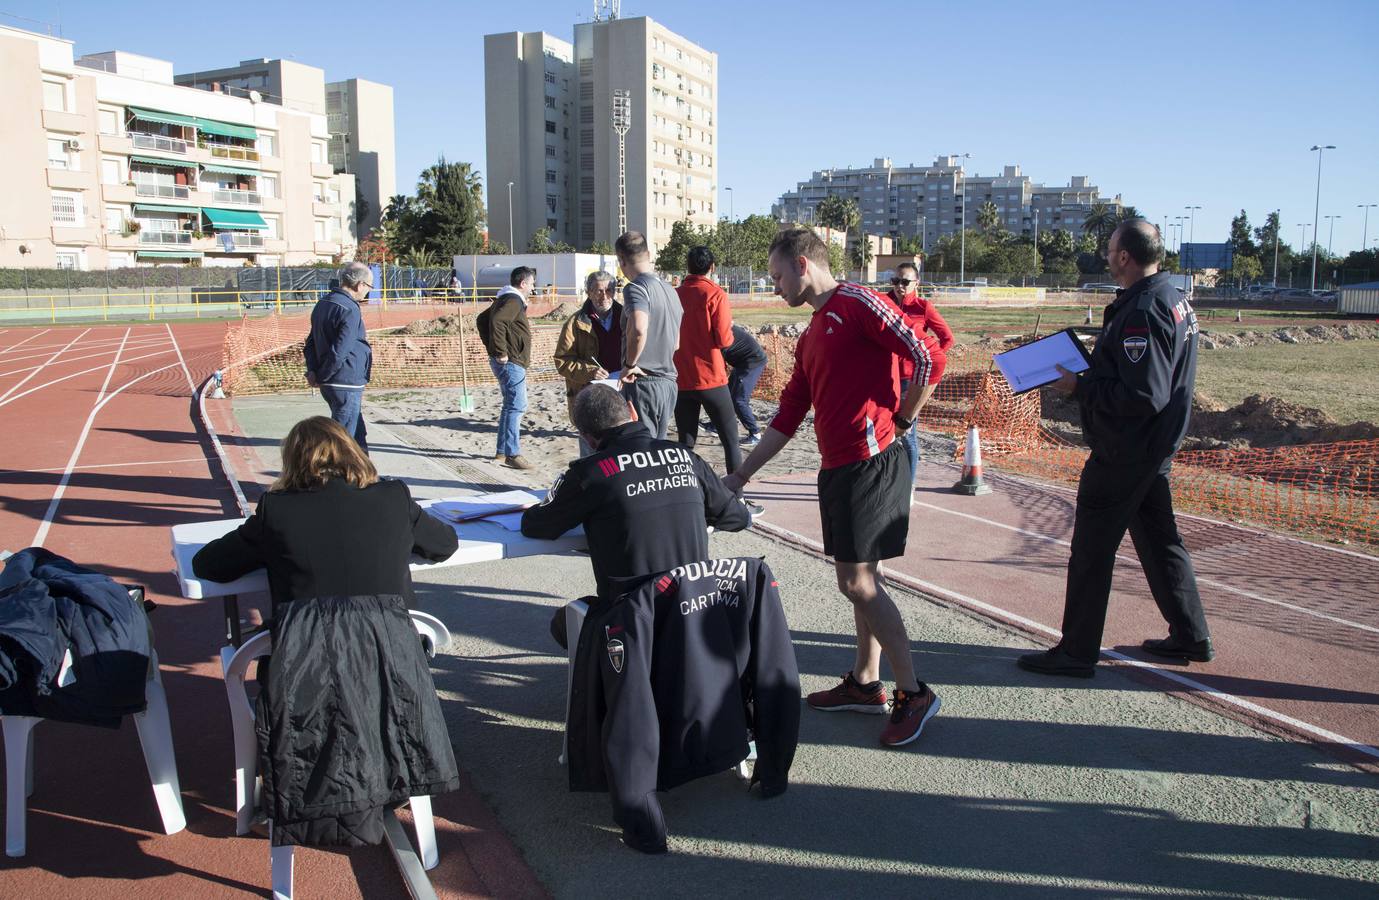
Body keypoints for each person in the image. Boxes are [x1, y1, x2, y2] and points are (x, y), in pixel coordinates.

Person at [190, 416, 460, 847]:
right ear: (353, 454)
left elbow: (208, 565)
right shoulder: (393, 498)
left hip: (307, 674)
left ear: (294, 462)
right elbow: (444, 545)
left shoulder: (277, 511)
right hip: (393, 666)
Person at [722, 228, 941, 749]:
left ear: (802, 264)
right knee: (862, 578)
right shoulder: (813, 330)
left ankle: (915, 693)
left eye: (776, 275)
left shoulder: (859, 301)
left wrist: (905, 420)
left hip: (871, 461)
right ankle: (867, 682)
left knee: (857, 583)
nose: (773, 286)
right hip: (837, 466)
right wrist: (738, 476)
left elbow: (930, 357)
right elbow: (790, 413)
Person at [1019, 219, 1213, 678]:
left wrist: (1078, 386)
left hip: (1126, 451)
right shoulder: (1172, 297)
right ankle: (1190, 634)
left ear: (1125, 256)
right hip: (1152, 450)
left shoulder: (1143, 309)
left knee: (1091, 551)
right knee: (1161, 542)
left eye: (1110, 250)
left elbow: (1144, 395)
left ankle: (1077, 651)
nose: (1107, 256)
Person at [521, 384, 752, 646]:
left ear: (587, 438)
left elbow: (535, 525)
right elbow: (738, 518)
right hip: (695, 609)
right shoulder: (686, 457)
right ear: (632, 411)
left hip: (632, 618)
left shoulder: (590, 473)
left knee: (563, 624)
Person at [673, 246, 741, 473]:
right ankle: (737, 498)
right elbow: (723, 340)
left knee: (685, 443)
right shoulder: (715, 293)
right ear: (712, 267)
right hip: (711, 377)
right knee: (730, 440)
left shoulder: (675, 294)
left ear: (688, 267)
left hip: (681, 378)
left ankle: (687, 495)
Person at [886, 262, 954, 485]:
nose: (899, 286)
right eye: (895, 281)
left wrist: (924, 363)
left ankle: (908, 487)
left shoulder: (923, 308)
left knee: (907, 436)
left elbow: (947, 338)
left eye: (905, 282)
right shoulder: (884, 303)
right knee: (883, 433)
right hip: (885, 379)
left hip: (910, 382)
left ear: (917, 283)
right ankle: (888, 482)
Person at [615, 230, 683, 440]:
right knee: (656, 449)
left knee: (641, 450)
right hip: (668, 384)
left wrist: (629, 364)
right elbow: (676, 344)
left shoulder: (636, 288)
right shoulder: (670, 290)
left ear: (622, 260)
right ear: (649, 254)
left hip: (644, 382)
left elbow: (638, 328)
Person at [303, 261, 373, 451]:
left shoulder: (323, 303)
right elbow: (341, 349)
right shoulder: (350, 308)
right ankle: (339, 476)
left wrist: (313, 371)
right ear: (360, 285)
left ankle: (366, 474)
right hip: (344, 380)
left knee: (357, 433)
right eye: (369, 287)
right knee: (343, 440)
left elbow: (310, 342)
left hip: (333, 381)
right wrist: (323, 374)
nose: (368, 292)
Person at [553, 270, 624, 456]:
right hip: (590, 394)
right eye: (598, 291)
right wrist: (589, 371)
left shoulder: (627, 317)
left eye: (609, 290)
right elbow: (562, 360)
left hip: (623, 389)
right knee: (591, 450)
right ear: (588, 292)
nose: (604, 296)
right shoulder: (575, 323)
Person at [481, 266, 535, 470]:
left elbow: (482, 320)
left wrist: (493, 349)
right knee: (517, 405)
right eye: (531, 284)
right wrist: (499, 351)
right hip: (512, 362)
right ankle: (512, 453)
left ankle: (502, 453)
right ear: (523, 283)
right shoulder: (513, 300)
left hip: (510, 360)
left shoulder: (505, 298)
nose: (532, 288)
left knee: (510, 405)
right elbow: (496, 321)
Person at [722, 323, 768, 447]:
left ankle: (755, 434)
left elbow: (719, 364)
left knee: (739, 400)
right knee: (726, 395)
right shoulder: (718, 329)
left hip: (752, 362)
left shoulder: (721, 333)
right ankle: (715, 425)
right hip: (741, 363)